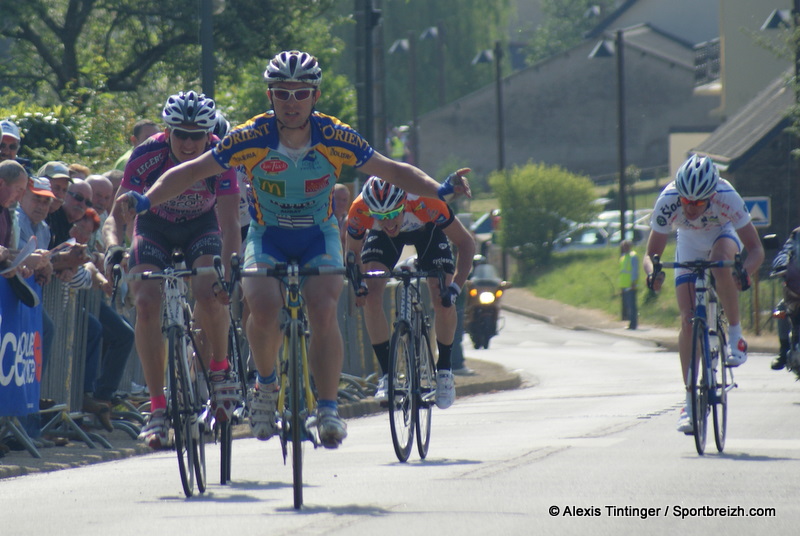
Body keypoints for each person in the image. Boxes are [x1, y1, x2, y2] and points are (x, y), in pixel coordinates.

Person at [134, 50, 471, 448]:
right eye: (282, 93)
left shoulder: (335, 136)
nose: (291, 102)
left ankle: (327, 407)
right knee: (260, 304)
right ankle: (265, 386)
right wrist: (147, 200)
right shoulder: (252, 136)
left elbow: (392, 169)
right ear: (269, 96)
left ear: (316, 96)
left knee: (324, 306)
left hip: (319, 233)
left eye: (300, 93)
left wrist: (440, 189)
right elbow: (190, 171)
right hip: (268, 235)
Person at [103, 90, 241, 449]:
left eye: (199, 135)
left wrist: (229, 273)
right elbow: (115, 217)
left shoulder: (220, 156)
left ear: (210, 134)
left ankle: (220, 368)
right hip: (155, 229)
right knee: (146, 302)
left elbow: (228, 225)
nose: (190, 143)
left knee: (208, 289)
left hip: (201, 226)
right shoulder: (146, 154)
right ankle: (158, 407)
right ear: (167, 131)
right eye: (181, 134)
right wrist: (114, 249)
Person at [642, 154, 763, 434]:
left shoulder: (727, 197)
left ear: (711, 195)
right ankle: (688, 402)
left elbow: (755, 249)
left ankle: (735, 335)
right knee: (687, 319)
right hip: (688, 243)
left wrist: (744, 272)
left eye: (698, 202)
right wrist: (652, 273)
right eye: (687, 201)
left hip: (723, 235)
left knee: (722, 261)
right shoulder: (668, 199)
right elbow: (651, 254)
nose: (691, 207)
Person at [346, 177, 475, 408]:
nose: (387, 222)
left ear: (404, 203)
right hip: (383, 241)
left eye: (391, 214)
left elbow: (466, 244)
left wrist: (455, 288)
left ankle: (444, 371)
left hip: (428, 232)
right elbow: (352, 254)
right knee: (372, 294)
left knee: (441, 295)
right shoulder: (361, 210)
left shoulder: (426, 202)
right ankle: (387, 376)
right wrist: (359, 286)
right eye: (380, 216)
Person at [768, 227, 800, 371]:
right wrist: (780, 265)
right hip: (796, 289)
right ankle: (784, 349)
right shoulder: (797, 234)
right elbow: (786, 251)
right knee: (779, 312)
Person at [619, 239, 639, 330]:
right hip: (625, 284)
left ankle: (633, 324)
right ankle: (631, 322)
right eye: (623, 246)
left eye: (625, 246)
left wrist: (633, 282)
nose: (624, 248)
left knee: (632, 305)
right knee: (628, 305)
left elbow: (635, 270)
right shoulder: (624, 256)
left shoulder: (632, 256)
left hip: (630, 284)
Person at [333, 183, 350, 252]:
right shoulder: (322, 221)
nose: (341, 203)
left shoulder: (350, 222)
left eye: (344, 200)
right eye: (337, 198)